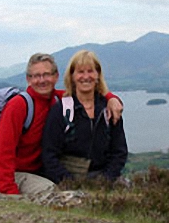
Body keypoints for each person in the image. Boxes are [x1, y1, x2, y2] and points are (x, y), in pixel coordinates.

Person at [0, 53, 123, 195]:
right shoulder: (18, 106)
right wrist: (11, 195)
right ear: (28, 79)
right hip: (14, 175)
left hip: (40, 173)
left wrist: (112, 98)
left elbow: (86, 92)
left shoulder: (57, 99)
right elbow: (3, 154)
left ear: (56, 76)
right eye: (36, 76)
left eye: (47, 74)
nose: (42, 80)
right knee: (53, 194)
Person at [42, 50, 128, 184]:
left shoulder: (109, 109)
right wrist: (70, 183)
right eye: (80, 72)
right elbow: (49, 155)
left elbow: (119, 152)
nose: (86, 76)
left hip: (103, 178)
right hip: (67, 178)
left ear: (98, 75)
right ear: (72, 76)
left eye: (90, 71)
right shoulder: (62, 110)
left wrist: (105, 181)